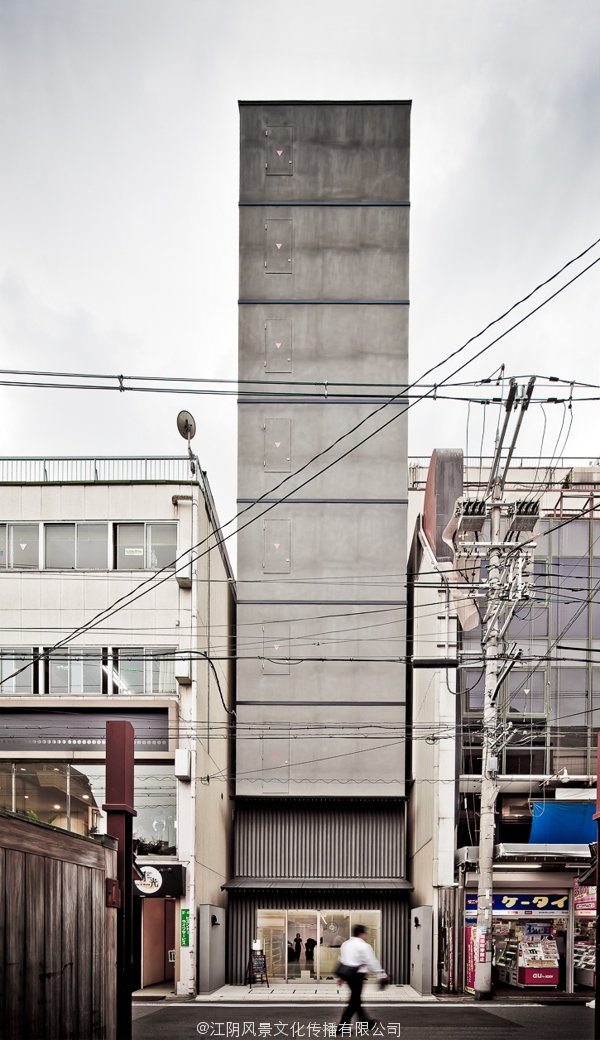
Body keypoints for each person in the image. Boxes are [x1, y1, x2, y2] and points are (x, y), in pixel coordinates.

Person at [336, 924, 389, 1032]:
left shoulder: (346, 944)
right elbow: (371, 962)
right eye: (365, 933)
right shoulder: (364, 946)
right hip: (357, 975)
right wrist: (382, 975)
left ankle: (367, 1023)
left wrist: (342, 977)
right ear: (361, 933)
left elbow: (342, 959)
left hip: (348, 975)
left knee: (356, 999)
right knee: (355, 1001)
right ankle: (342, 1027)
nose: (366, 935)